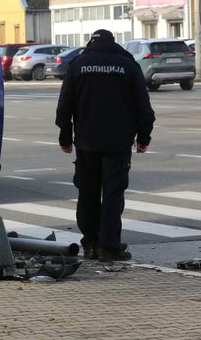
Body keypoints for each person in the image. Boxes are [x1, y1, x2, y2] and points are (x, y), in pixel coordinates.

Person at [55, 29, 155, 262]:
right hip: (118, 143)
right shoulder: (127, 65)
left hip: (86, 142)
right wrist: (144, 137)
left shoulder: (78, 65)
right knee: (113, 194)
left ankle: (90, 245)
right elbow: (143, 106)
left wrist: (65, 136)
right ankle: (109, 247)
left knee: (87, 193)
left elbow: (64, 105)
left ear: (91, 43)